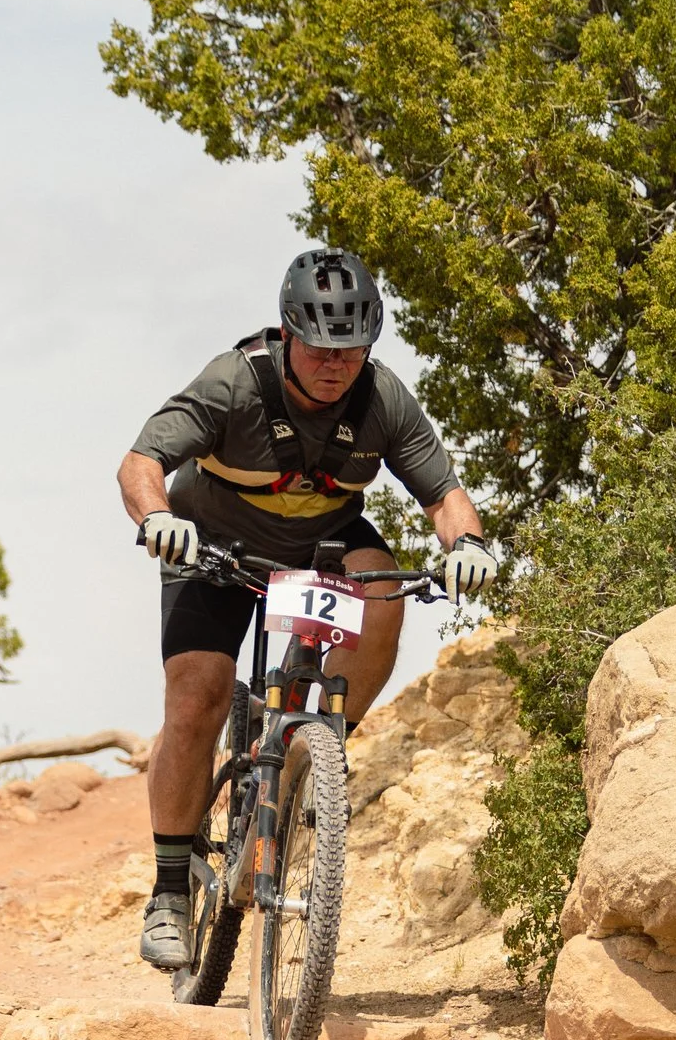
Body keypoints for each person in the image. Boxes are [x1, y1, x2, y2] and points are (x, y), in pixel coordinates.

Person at [118, 249, 497, 970]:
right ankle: (169, 890)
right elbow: (139, 463)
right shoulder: (235, 383)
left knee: (385, 587)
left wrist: (469, 542)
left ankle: (319, 750)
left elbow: (444, 496)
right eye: (321, 348)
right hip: (215, 545)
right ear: (288, 333)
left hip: (321, 541)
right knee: (196, 698)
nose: (336, 364)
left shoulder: (382, 399)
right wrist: (160, 519)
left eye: (352, 350)